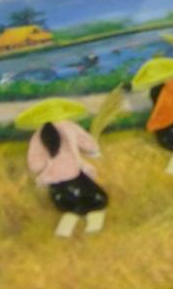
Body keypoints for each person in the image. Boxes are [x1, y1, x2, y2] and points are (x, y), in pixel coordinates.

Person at [18, 98, 109, 237]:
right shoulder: (69, 126)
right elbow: (86, 142)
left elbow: (35, 164)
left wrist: (45, 169)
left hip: (54, 181)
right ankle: (94, 229)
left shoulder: (37, 135)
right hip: (75, 174)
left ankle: (64, 231)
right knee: (97, 199)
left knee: (70, 206)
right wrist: (94, 150)